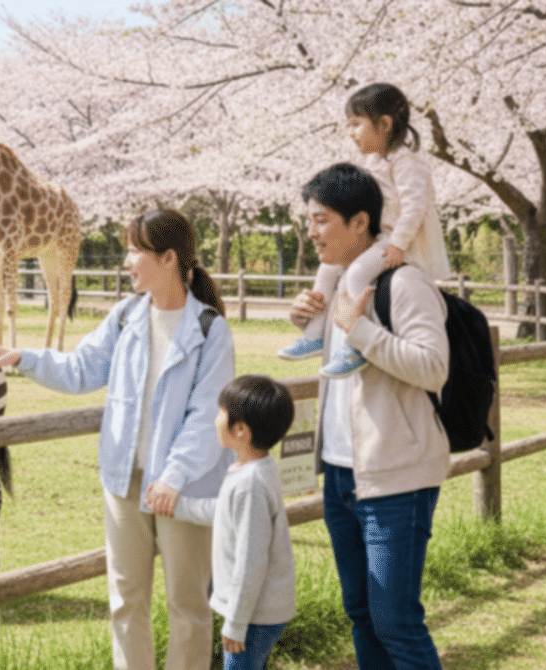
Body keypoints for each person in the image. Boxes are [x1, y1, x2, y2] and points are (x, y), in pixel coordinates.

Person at [0, 208, 235, 670]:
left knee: (188, 608)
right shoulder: (125, 317)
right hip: (124, 482)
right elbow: (80, 370)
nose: (127, 261)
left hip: (183, 488)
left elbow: (205, 417)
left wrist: (172, 478)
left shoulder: (209, 329)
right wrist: (23, 358)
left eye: (136, 250)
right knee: (125, 602)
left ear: (168, 258)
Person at [290, 162, 450, 669]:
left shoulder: (404, 284)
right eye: (309, 220)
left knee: (395, 620)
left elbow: (433, 368)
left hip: (395, 479)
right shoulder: (338, 285)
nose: (311, 232)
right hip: (340, 473)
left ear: (360, 222)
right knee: (361, 613)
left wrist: (359, 331)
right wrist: (311, 319)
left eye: (321, 220)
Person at [279, 82, 452, 378]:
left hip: (397, 241)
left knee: (356, 274)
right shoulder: (372, 162)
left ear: (384, 125)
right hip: (381, 240)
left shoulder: (406, 162)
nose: (351, 133)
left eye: (357, 124)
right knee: (327, 269)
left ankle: (354, 346)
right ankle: (314, 332)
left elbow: (415, 207)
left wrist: (398, 243)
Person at [167, 375, 297, 670]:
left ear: (239, 430)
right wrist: (177, 507)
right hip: (255, 612)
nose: (215, 419)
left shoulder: (250, 484)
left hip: (254, 616)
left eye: (221, 413)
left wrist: (236, 624)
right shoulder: (253, 469)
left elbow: (251, 561)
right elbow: (224, 512)